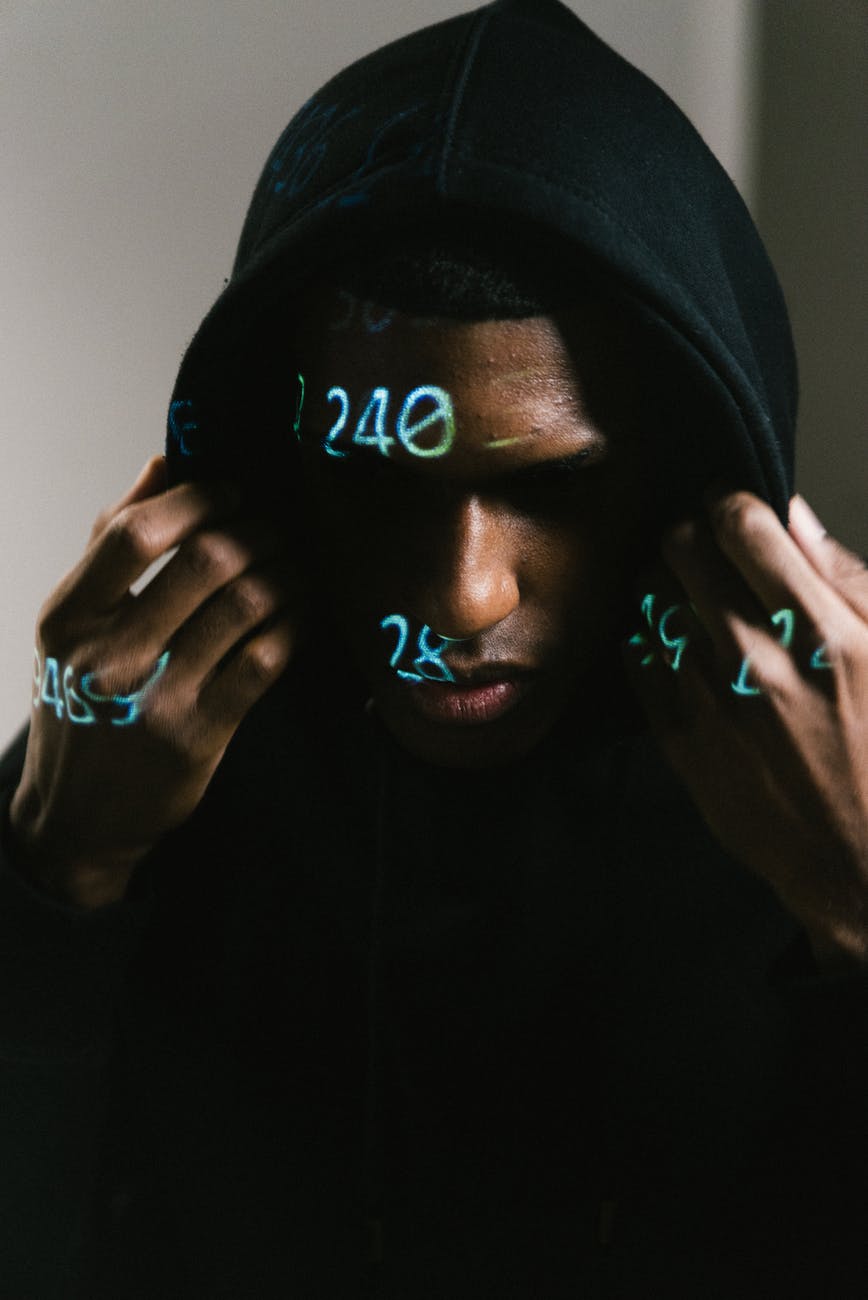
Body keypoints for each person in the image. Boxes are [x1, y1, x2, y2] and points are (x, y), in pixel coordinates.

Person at [1, 1, 866, 1295]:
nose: (464, 599)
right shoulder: (143, 774)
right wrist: (54, 872)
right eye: (376, 482)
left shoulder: (821, 789)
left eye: (556, 487)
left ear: (691, 481)